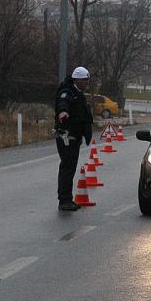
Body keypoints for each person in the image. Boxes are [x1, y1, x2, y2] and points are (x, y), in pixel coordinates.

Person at [54, 67, 94, 211]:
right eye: (85, 81)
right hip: (67, 137)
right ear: (78, 80)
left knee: (70, 167)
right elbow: (63, 103)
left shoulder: (77, 92)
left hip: (74, 137)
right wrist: (63, 112)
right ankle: (64, 200)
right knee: (67, 167)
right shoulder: (67, 92)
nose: (87, 83)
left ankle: (67, 199)